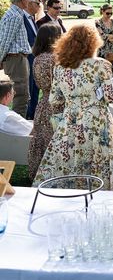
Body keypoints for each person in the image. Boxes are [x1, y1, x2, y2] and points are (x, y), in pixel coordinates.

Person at [33, 25, 113, 191]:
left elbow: (55, 100)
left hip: (70, 121)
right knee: (100, 160)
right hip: (97, 121)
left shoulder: (60, 67)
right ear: (93, 43)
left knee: (71, 159)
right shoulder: (101, 65)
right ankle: (101, 192)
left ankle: (73, 194)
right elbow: (110, 97)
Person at [28, 23, 63, 180]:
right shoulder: (55, 59)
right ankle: (55, 175)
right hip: (57, 105)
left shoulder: (36, 58)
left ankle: (40, 173)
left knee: (42, 139)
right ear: (52, 39)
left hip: (43, 104)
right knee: (55, 139)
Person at [0, 0, 32, 118]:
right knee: (20, 94)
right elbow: (5, 41)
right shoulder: (14, 16)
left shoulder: (16, 14)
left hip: (18, 59)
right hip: (16, 59)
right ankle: (16, 131)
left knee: (22, 94)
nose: (29, 0)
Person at [95, 4, 113, 94]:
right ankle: (106, 96)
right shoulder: (98, 22)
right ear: (102, 12)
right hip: (104, 52)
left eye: (111, 13)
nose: (110, 15)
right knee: (104, 74)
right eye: (107, 13)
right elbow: (103, 37)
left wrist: (110, 37)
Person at [24, 0, 41, 119]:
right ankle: (27, 115)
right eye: (37, 4)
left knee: (35, 87)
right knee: (28, 89)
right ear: (29, 3)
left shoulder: (32, 18)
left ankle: (33, 114)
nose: (39, 6)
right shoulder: (22, 18)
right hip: (27, 59)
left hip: (35, 58)